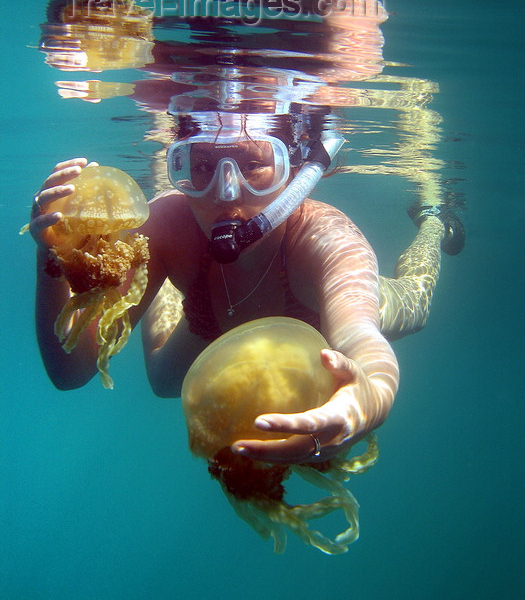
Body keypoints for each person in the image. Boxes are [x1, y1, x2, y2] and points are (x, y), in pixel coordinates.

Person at [28, 105, 463, 467]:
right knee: (164, 380)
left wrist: (372, 394)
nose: (225, 192)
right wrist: (54, 260)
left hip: (320, 321)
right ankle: (153, 274)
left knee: (414, 301)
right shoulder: (167, 224)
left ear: (296, 172)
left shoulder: (325, 242)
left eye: (255, 165)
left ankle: (432, 225)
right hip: (211, 317)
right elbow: (71, 371)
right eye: (200, 167)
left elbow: (360, 338)